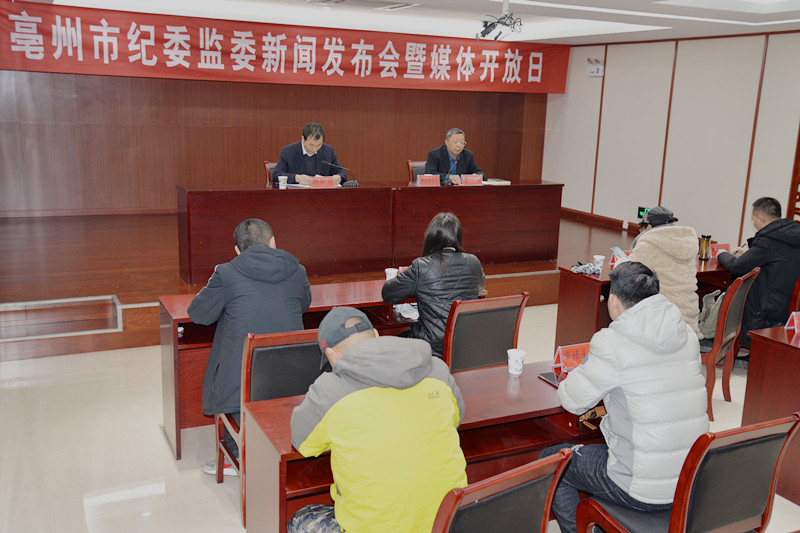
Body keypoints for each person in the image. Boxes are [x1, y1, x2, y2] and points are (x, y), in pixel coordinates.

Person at [539, 261, 709, 533]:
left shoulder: (612, 341)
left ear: (613, 301)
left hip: (641, 488)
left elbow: (572, 400)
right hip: (689, 479)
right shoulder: (686, 334)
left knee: (553, 460)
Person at [288, 307, 467, 533]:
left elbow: (302, 442)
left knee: (300, 519)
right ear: (375, 334)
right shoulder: (437, 370)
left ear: (332, 355)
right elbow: (456, 418)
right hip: (449, 522)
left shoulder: (328, 390)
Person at [188, 218, 311, 475]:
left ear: (237, 250)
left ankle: (236, 454)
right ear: (273, 242)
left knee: (229, 346)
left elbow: (198, 314)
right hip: (293, 379)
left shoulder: (226, 273)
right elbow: (303, 305)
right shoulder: (297, 270)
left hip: (242, 387)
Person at [382, 212, 485, 358]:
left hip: (430, 347)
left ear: (430, 237)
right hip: (463, 344)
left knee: (388, 341)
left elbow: (388, 294)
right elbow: (480, 288)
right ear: (458, 237)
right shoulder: (473, 262)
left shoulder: (421, 266)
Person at [717, 197, 800, 350]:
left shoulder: (769, 241)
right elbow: (776, 260)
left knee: (732, 291)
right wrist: (749, 254)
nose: (754, 223)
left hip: (765, 309)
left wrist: (721, 253)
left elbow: (736, 266)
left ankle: (726, 343)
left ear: (761, 219)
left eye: (753, 219)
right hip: (788, 306)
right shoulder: (791, 235)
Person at [621, 206, 702, 338]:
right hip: (689, 323)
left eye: (642, 228)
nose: (640, 231)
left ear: (649, 227)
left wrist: (620, 261)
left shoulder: (649, 243)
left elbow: (627, 270)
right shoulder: (687, 243)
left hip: (663, 325)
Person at [273, 122, 345, 185]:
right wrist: (296, 178)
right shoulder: (288, 151)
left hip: (321, 194)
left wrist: (338, 177)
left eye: (319, 145)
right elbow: (276, 175)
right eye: (311, 145)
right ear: (303, 139)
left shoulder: (328, 151)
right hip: (297, 194)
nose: (315, 148)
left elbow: (342, 173)